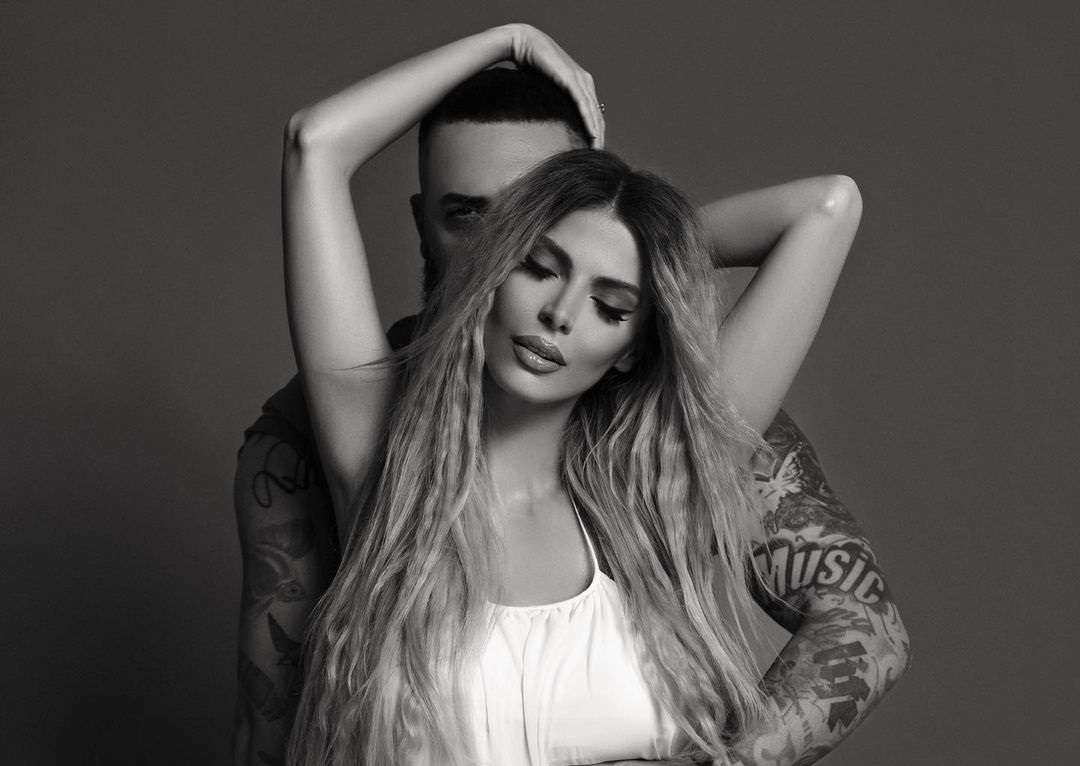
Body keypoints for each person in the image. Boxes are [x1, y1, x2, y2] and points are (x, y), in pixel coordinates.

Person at [233, 24, 909, 766]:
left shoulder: (653, 492)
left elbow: (827, 209)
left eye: (611, 307)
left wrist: (629, 234)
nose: (560, 314)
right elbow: (316, 145)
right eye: (537, 264)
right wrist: (509, 38)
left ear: (633, 343)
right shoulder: (378, 457)